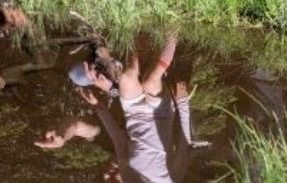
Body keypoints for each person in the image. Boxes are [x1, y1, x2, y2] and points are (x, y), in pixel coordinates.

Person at [39, 34, 208, 182]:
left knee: (79, 75)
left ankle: (127, 37)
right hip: (165, 94)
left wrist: (63, 134)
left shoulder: (111, 145)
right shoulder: (169, 177)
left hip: (132, 101)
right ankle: (171, 32)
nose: (109, 175)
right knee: (149, 81)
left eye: (105, 179)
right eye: (114, 181)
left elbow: (78, 127)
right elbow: (184, 143)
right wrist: (183, 102)